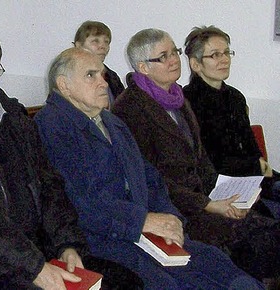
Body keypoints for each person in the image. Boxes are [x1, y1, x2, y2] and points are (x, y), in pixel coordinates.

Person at [0, 22, 143, 289]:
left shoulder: (13, 118)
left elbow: (50, 186)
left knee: (125, 282)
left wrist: (67, 244)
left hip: (39, 251)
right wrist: (35, 268)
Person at [35, 47, 264, 289]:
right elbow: (78, 200)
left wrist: (171, 219)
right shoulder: (52, 127)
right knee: (178, 283)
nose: (103, 83)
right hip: (101, 238)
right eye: (91, 75)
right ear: (64, 85)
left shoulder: (112, 122)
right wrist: (143, 220)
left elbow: (150, 178)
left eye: (102, 75)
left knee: (220, 266)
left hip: (144, 232)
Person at [111, 28, 280, 286]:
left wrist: (225, 193)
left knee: (266, 231)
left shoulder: (177, 97)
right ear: (143, 67)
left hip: (206, 198)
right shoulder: (130, 109)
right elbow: (152, 179)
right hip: (176, 212)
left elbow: (201, 160)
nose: (174, 60)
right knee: (259, 241)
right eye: (163, 56)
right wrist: (207, 204)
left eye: (174, 52)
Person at [182, 25, 280, 203]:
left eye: (227, 53)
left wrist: (259, 166)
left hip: (251, 177)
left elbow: (250, 144)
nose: (225, 60)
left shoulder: (235, 97)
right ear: (195, 64)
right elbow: (208, 159)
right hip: (218, 186)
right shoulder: (187, 102)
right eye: (215, 55)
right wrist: (256, 167)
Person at [73, 20, 124, 109]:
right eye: (95, 41)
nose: (102, 46)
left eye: (106, 42)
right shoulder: (69, 75)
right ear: (79, 46)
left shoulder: (112, 77)